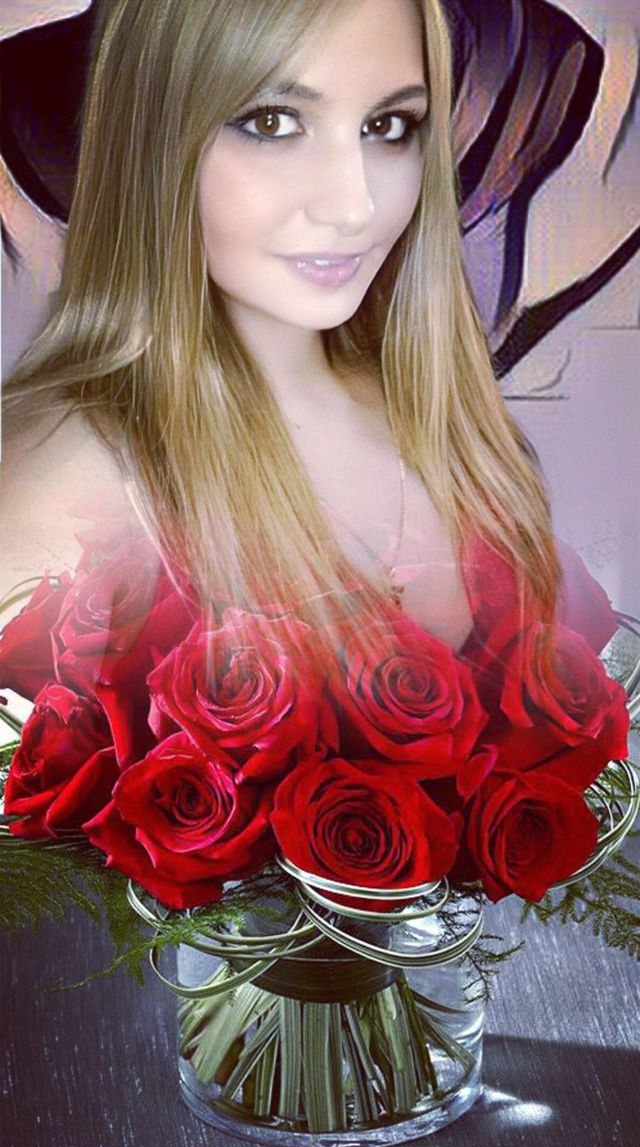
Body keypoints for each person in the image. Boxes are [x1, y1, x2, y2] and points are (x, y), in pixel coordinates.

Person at [0, 0, 615, 680]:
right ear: (149, 137)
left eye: (388, 126)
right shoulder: (71, 484)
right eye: (273, 123)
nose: (354, 206)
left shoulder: (456, 429)